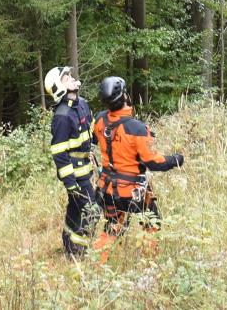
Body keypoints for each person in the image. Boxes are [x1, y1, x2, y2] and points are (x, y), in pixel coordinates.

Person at [91, 75, 184, 262]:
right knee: (152, 222)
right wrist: (176, 159)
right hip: (132, 192)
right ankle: (150, 262)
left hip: (107, 188)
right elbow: (153, 162)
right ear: (124, 96)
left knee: (112, 226)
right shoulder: (137, 129)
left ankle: (98, 264)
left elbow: (94, 140)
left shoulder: (99, 120)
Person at [45, 65, 98, 258]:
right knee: (92, 211)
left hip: (86, 169)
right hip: (75, 176)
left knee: (75, 211)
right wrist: (70, 183)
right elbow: (59, 153)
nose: (72, 78)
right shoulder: (62, 116)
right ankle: (78, 251)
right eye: (66, 78)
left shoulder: (82, 104)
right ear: (59, 87)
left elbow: (92, 131)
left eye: (70, 76)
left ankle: (68, 245)